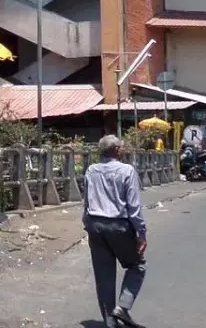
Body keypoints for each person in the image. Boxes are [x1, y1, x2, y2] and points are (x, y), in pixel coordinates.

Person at [84, 135, 148, 328]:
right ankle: (123, 307)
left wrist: (87, 226)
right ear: (117, 151)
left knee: (104, 276)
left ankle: (111, 324)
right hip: (119, 225)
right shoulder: (127, 170)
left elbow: (86, 202)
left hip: (95, 225)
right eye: (122, 147)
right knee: (137, 266)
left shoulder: (91, 170)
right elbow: (134, 207)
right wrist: (141, 233)